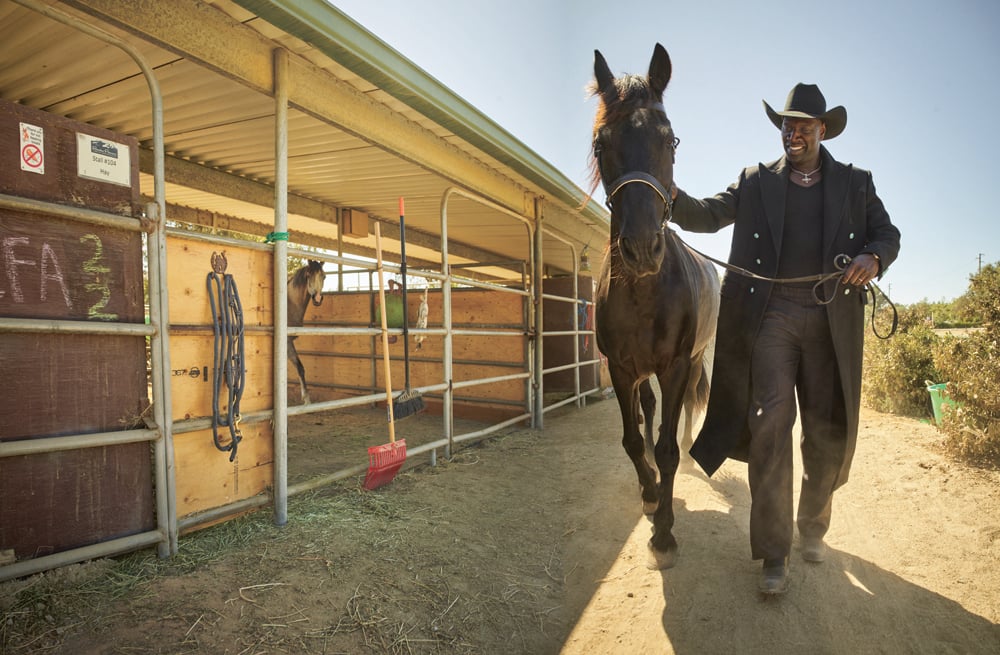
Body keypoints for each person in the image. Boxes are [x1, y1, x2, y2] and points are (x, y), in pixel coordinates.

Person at [670, 83, 901, 594]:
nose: (791, 133)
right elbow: (708, 214)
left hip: (829, 322)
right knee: (770, 424)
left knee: (824, 431)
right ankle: (774, 553)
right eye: (785, 124)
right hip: (769, 319)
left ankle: (813, 526)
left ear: (822, 130)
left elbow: (888, 234)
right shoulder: (756, 182)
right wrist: (666, 194)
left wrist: (874, 258)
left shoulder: (856, 183)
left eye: (801, 126)